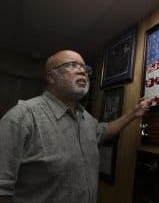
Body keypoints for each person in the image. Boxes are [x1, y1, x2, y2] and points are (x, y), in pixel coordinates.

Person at [0, 50, 151, 203]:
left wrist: (133, 114)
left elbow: (103, 131)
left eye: (85, 68)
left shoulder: (85, 116)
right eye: (72, 65)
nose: (82, 71)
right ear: (52, 77)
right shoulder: (21, 117)